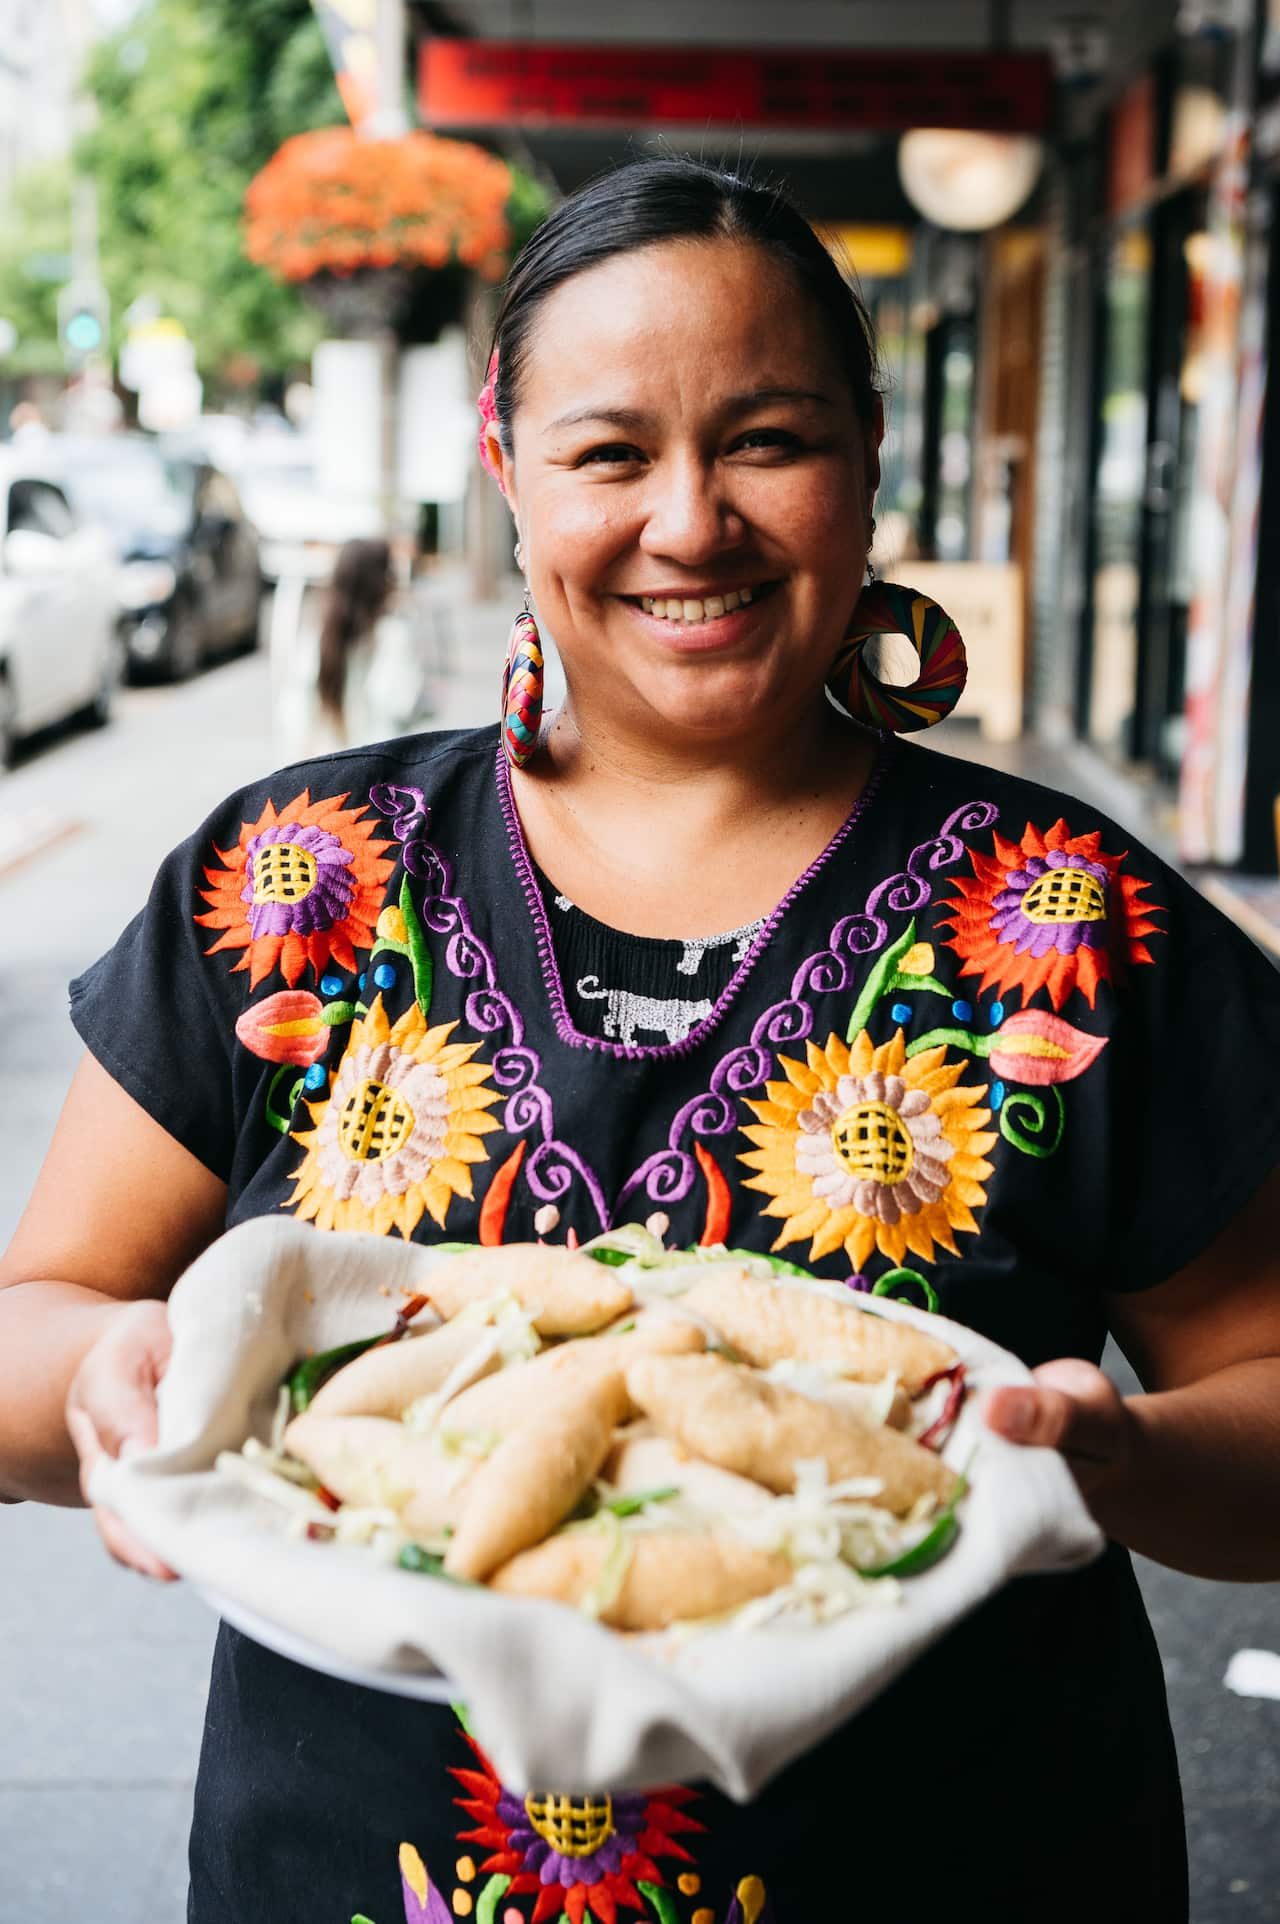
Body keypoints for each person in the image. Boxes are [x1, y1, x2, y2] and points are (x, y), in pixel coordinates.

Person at [2, 157, 1278, 1924]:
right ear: (509, 470)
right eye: (612, 452)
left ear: (869, 458)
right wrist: (98, 1378)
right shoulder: (293, 882)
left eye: (767, 438)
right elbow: (31, 1327)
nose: (693, 521)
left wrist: (1111, 1457)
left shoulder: (1067, 923)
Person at [278, 536, 431, 758]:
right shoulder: (392, 634)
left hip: (323, 768)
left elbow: (295, 711)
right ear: (382, 578)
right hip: (377, 770)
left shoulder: (319, 632)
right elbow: (399, 701)